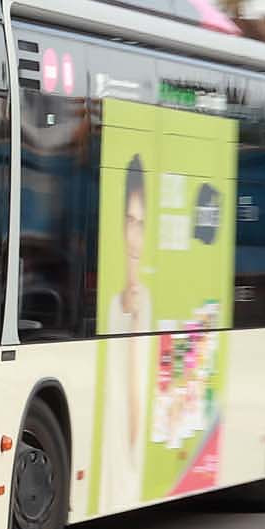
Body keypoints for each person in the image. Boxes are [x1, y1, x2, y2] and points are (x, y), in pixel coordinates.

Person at [98, 155, 154, 511]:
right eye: (130, 222)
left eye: (142, 225)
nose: (135, 238)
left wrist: (135, 320)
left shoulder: (145, 305)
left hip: (131, 475)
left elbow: (137, 419)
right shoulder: (107, 307)